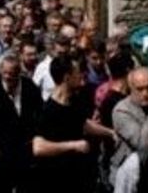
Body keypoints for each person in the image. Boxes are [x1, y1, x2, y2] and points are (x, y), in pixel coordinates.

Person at [32, 55, 101, 192]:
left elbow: (83, 124)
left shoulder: (75, 101)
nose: (81, 75)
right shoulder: (47, 111)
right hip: (58, 180)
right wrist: (73, 145)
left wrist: (110, 133)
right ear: (66, 77)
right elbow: (39, 147)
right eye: (76, 73)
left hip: (79, 177)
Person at [0, 52, 42, 193]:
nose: (9, 77)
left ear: (19, 72)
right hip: (3, 151)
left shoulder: (29, 87)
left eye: (13, 73)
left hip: (26, 148)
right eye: (5, 73)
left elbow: (40, 112)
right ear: (0, 72)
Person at [33, 32, 73, 100]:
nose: (62, 57)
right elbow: (33, 90)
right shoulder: (42, 67)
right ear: (53, 50)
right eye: (59, 53)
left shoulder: (72, 67)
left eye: (65, 53)